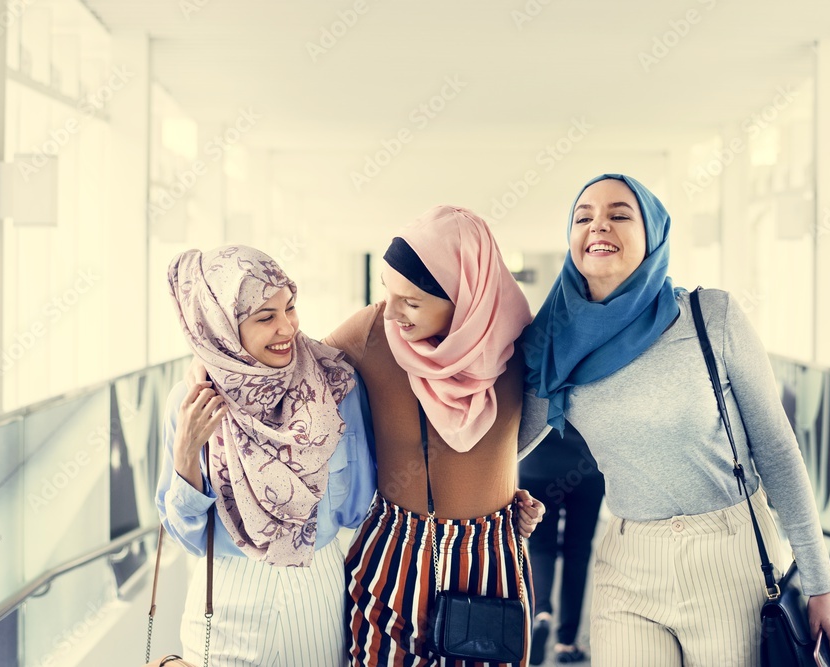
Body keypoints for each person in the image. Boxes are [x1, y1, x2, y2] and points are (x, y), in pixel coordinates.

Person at [522, 174, 830, 666]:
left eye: (618, 214)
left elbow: (778, 451)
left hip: (728, 553)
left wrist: (820, 583)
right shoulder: (554, 343)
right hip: (628, 560)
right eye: (583, 216)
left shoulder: (708, 316)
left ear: (652, 234)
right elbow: (503, 444)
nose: (598, 226)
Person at [324, 205, 548, 666]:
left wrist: (501, 493)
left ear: (462, 295)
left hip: (491, 564)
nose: (395, 313)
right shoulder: (373, 331)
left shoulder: (523, 343)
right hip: (392, 554)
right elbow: (289, 370)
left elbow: (514, 434)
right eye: (390, 293)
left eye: (412, 301)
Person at [156, 245, 376, 666]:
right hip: (224, 593)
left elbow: (359, 506)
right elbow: (185, 536)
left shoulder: (336, 389)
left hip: (317, 585)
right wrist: (187, 453)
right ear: (221, 327)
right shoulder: (190, 403)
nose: (287, 328)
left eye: (290, 308)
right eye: (265, 317)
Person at [518, 422, 604, 665]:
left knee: (541, 545)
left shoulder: (536, 380)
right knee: (578, 551)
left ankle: (541, 614)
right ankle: (566, 642)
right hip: (586, 465)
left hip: (538, 464)